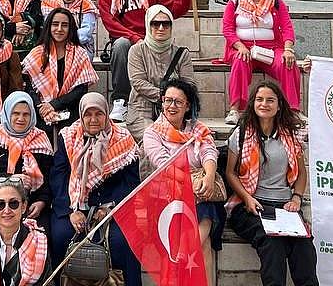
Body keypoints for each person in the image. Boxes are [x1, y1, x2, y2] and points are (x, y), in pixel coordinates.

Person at [224, 80, 318, 286]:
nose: (264, 104)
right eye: (259, 99)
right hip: (251, 205)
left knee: (304, 247)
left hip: (285, 206)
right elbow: (230, 173)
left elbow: (301, 174)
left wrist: (296, 198)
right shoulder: (241, 133)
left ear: (279, 105)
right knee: (272, 243)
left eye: (270, 100)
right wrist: (247, 198)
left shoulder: (291, 135)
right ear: (253, 103)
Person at [49, 92, 141, 286]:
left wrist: (109, 208)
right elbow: (58, 177)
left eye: (98, 114)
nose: (93, 120)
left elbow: (131, 183)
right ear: (81, 116)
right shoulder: (69, 137)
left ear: (107, 114)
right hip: (74, 205)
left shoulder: (123, 139)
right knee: (60, 235)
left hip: (112, 207)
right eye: (88, 115)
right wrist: (70, 211)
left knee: (121, 241)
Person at [98, 0, 198, 120]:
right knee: (121, 45)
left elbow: (173, 9)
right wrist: (134, 38)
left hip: (151, 38)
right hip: (125, 40)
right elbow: (109, 22)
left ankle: (169, 99)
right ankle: (120, 100)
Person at [144, 79, 225, 280]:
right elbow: (164, 165)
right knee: (202, 244)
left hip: (200, 192)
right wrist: (192, 184)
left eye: (178, 102)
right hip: (167, 193)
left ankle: (185, 254)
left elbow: (209, 153)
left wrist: (209, 177)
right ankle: (185, 254)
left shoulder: (198, 129)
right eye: (168, 100)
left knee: (205, 207)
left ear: (187, 105)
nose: (172, 106)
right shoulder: (153, 133)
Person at [222, 0, 300, 124]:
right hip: (243, 47)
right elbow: (227, 29)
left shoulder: (277, 2)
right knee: (240, 60)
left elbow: (287, 27)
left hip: (272, 47)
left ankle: (292, 111)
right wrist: (240, 46)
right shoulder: (234, 2)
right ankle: (235, 109)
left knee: (288, 63)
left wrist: (288, 49)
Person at [0, 92, 54, 221]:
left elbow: (49, 178)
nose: (21, 119)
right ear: (7, 113)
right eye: (15, 113)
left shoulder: (41, 140)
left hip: (31, 206)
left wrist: (42, 201)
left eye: (26, 114)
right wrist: (11, 179)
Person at [123, 5, 196, 142]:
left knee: (180, 140)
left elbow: (189, 84)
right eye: (155, 24)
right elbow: (138, 82)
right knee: (153, 139)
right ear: (148, 25)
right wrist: (166, 97)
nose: (161, 28)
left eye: (166, 24)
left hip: (174, 110)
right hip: (142, 110)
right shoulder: (137, 51)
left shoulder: (182, 54)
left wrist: (172, 101)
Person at [23, 8, 97, 138]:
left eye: (64, 25)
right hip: (41, 111)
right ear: (48, 26)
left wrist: (54, 104)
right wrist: (42, 107)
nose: (59, 29)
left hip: (70, 110)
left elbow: (81, 89)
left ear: (71, 28)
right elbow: (29, 87)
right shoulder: (37, 53)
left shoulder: (79, 54)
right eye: (55, 24)